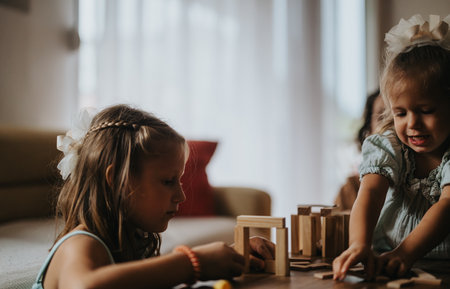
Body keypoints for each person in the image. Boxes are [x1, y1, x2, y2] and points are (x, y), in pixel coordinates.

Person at [32, 104, 275, 289]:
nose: (180, 196)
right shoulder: (82, 243)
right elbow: (85, 286)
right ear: (116, 179)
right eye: (168, 181)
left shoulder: (132, 241)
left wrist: (231, 257)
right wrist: (193, 264)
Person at [333, 14, 450, 281]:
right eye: (400, 113)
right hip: (387, 257)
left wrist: (405, 253)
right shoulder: (390, 146)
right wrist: (359, 244)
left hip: (443, 267)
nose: (412, 124)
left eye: (426, 110)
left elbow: (447, 206)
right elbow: (371, 191)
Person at [334, 89, 384, 211]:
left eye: (399, 114)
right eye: (382, 116)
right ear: (368, 129)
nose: (391, 125)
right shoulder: (350, 191)